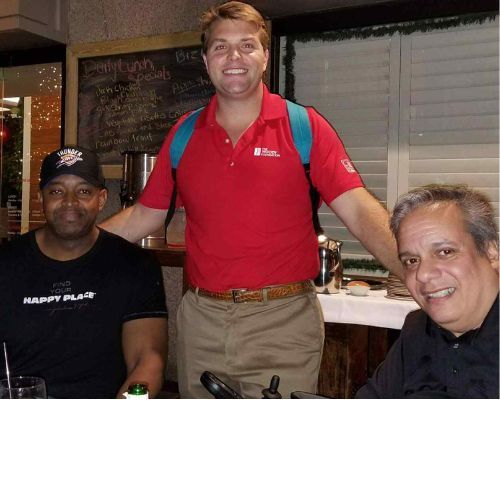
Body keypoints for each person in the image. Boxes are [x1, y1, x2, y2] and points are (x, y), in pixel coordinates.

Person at [100, 1, 402, 398]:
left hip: (283, 322)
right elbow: (144, 215)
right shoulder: (184, 134)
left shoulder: (303, 126)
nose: (234, 57)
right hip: (202, 322)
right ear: (206, 60)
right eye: (221, 47)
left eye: (247, 45)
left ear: (264, 57)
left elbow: (359, 210)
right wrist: (69, 249)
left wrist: (415, 271)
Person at [0, 146, 168, 398]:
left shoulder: (135, 265)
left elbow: (147, 359)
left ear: (101, 199)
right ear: (40, 198)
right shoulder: (6, 263)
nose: (69, 202)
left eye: (83, 191)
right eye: (57, 191)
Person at [357, 184, 499, 398]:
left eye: (445, 252)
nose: (422, 274)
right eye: (412, 261)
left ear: (491, 253)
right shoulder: (417, 329)